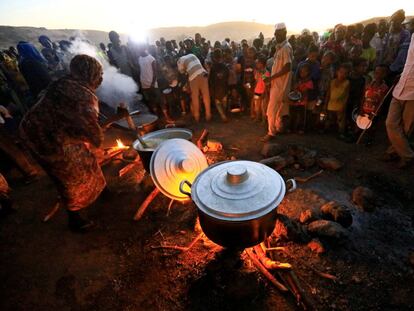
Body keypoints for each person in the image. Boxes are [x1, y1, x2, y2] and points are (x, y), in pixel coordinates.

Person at [19, 55, 106, 232]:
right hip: (47, 140)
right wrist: (117, 117)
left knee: (88, 161)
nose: (101, 78)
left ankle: (104, 191)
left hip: (36, 129)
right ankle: (75, 219)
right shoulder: (83, 97)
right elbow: (95, 136)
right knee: (68, 176)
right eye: (99, 74)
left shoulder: (66, 82)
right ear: (92, 74)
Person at [384, 33, 414, 168]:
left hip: (413, 93)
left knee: (406, 128)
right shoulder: (413, 36)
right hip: (401, 86)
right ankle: (407, 155)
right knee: (391, 123)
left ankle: (396, 153)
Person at [262, 23, 293, 141]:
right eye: (275, 33)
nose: (275, 35)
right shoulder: (281, 47)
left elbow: (288, 67)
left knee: (271, 110)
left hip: (281, 85)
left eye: (278, 33)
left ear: (284, 33)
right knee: (278, 109)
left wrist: (271, 78)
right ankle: (277, 129)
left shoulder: (286, 48)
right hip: (277, 84)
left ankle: (271, 133)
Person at [137, 44, 171, 121]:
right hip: (144, 84)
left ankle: (166, 117)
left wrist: (152, 83)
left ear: (144, 48)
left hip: (152, 84)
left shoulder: (151, 59)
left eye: (140, 48)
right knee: (152, 101)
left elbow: (155, 73)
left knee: (160, 100)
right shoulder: (139, 59)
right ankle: (156, 117)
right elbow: (141, 71)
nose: (139, 50)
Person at [177, 53, 211, 122]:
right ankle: (208, 115)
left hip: (193, 77)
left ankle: (197, 117)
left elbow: (183, 74)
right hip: (203, 73)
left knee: (195, 97)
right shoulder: (192, 55)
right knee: (206, 96)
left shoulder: (179, 61)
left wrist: (187, 85)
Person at [324, 63, 351, 135]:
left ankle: (340, 132)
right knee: (329, 118)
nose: (342, 75)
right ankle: (328, 130)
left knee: (340, 120)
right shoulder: (332, 82)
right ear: (337, 72)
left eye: (345, 73)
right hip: (331, 104)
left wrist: (344, 106)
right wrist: (325, 104)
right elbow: (328, 94)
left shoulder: (347, 83)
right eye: (341, 72)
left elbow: (347, 95)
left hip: (340, 105)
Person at [290, 63, 314, 133]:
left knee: (301, 116)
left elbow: (305, 91)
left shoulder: (309, 82)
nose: (302, 73)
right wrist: (295, 87)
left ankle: (301, 129)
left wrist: (299, 88)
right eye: (301, 72)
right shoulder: (297, 80)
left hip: (303, 102)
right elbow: (294, 88)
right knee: (293, 114)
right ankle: (292, 128)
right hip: (295, 101)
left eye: (304, 72)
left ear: (308, 72)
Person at [209, 49, 229, 122]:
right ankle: (224, 115)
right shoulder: (225, 66)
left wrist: (211, 89)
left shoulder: (213, 67)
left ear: (214, 57)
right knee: (224, 102)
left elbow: (210, 80)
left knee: (218, 103)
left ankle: (223, 116)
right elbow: (227, 77)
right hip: (224, 87)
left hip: (216, 87)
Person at [253, 55, 270, 122]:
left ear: (262, 64)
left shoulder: (266, 73)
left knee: (263, 106)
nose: (257, 65)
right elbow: (256, 81)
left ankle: (263, 120)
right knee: (257, 105)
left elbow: (266, 84)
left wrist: (265, 92)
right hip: (257, 91)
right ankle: (257, 117)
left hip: (263, 91)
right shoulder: (258, 72)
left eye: (258, 63)